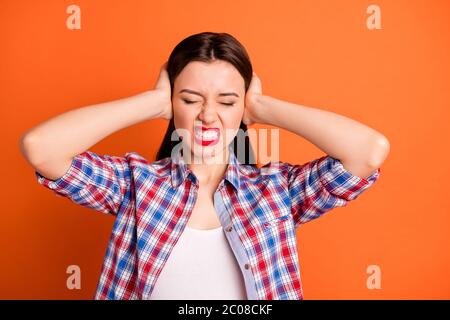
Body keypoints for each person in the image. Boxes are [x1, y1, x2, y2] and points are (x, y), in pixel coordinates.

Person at [19, 31, 389, 300]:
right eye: (190, 99)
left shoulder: (277, 190)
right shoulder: (137, 184)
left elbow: (369, 151)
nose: (208, 116)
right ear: (172, 103)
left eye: (227, 102)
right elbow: (42, 148)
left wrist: (261, 107)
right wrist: (152, 103)